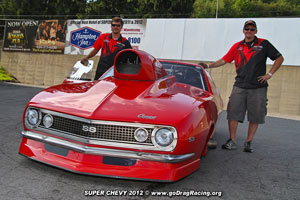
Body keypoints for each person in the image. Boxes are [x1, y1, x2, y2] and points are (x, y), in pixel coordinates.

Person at [200, 20, 284, 153]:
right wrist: (208, 66)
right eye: (247, 29)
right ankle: (232, 140)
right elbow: (224, 60)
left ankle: (248, 142)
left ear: (256, 31)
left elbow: (279, 58)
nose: (249, 31)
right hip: (240, 85)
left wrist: (269, 74)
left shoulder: (263, 44)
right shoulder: (237, 46)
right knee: (232, 113)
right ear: (243, 30)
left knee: (255, 116)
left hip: (258, 87)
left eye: (252, 29)